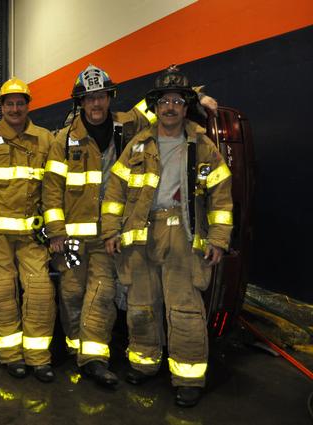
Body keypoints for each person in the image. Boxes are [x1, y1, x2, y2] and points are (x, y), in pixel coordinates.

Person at [101, 65, 233, 407]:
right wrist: (111, 231)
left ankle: (188, 377)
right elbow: (114, 192)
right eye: (164, 101)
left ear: (186, 106)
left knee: (184, 307)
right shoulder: (138, 145)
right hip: (140, 234)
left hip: (182, 235)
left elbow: (221, 196)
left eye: (177, 101)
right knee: (141, 304)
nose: (170, 107)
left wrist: (218, 238)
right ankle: (144, 363)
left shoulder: (202, 146)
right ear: (156, 107)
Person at [41, 64, 151, 387]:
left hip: (107, 236)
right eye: (90, 98)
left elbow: (157, 111)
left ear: (109, 97)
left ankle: (93, 359)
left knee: (101, 292)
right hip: (73, 238)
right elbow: (50, 190)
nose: (96, 104)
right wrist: (57, 232)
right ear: (80, 102)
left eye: (101, 96)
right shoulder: (62, 141)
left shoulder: (125, 126)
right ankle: (77, 348)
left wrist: (200, 100)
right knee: (72, 293)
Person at [0, 77, 56, 383]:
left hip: (33, 235)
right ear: (2, 106)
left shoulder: (45, 139)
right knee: (2, 293)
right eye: (9, 103)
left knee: (39, 292)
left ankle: (38, 357)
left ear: (28, 105)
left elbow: (54, 186)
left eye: (20, 103)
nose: (15, 108)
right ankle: (10, 356)